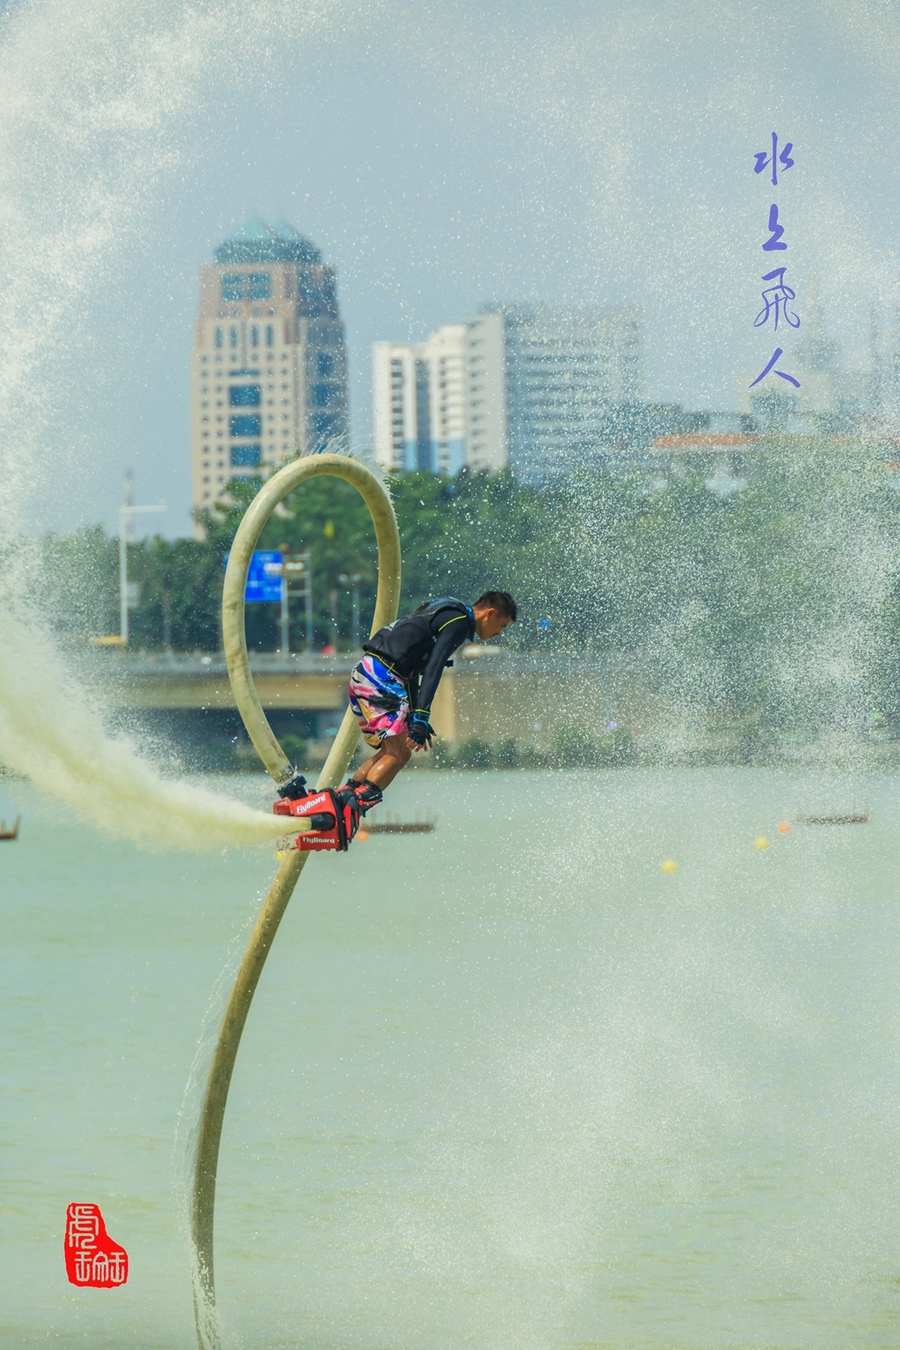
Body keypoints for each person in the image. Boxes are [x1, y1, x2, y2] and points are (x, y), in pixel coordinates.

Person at [337, 591, 517, 814]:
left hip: (366, 671)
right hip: (382, 675)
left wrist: (415, 715)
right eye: (502, 625)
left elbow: (412, 672)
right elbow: (434, 667)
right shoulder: (459, 621)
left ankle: (343, 797)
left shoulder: (445, 609)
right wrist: (422, 715)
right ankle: (353, 806)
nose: (499, 633)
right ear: (489, 614)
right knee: (400, 754)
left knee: (389, 751)